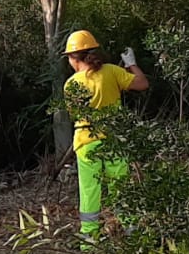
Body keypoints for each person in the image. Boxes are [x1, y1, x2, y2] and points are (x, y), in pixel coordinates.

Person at [62, 29, 149, 239]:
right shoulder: (111, 71)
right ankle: (133, 236)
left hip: (85, 143)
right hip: (113, 140)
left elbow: (75, 114)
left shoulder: (71, 85)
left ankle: (89, 239)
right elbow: (142, 84)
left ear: (74, 58)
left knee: (89, 191)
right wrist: (130, 63)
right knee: (120, 188)